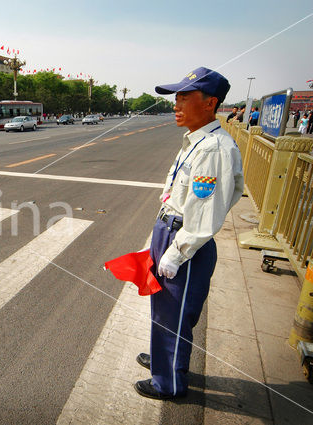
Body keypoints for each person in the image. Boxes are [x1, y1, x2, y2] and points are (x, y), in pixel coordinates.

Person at [134, 67, 244, 400]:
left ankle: (168, 383)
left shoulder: (213, 149)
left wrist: (176, 252)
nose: (176, 104)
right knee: (165, 308)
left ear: (210, 103)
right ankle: (163, 358)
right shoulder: (196, 141)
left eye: (185, 97)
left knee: (176, 312)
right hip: (170, 230)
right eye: (176, 97)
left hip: (186, 241)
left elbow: (205, 213)